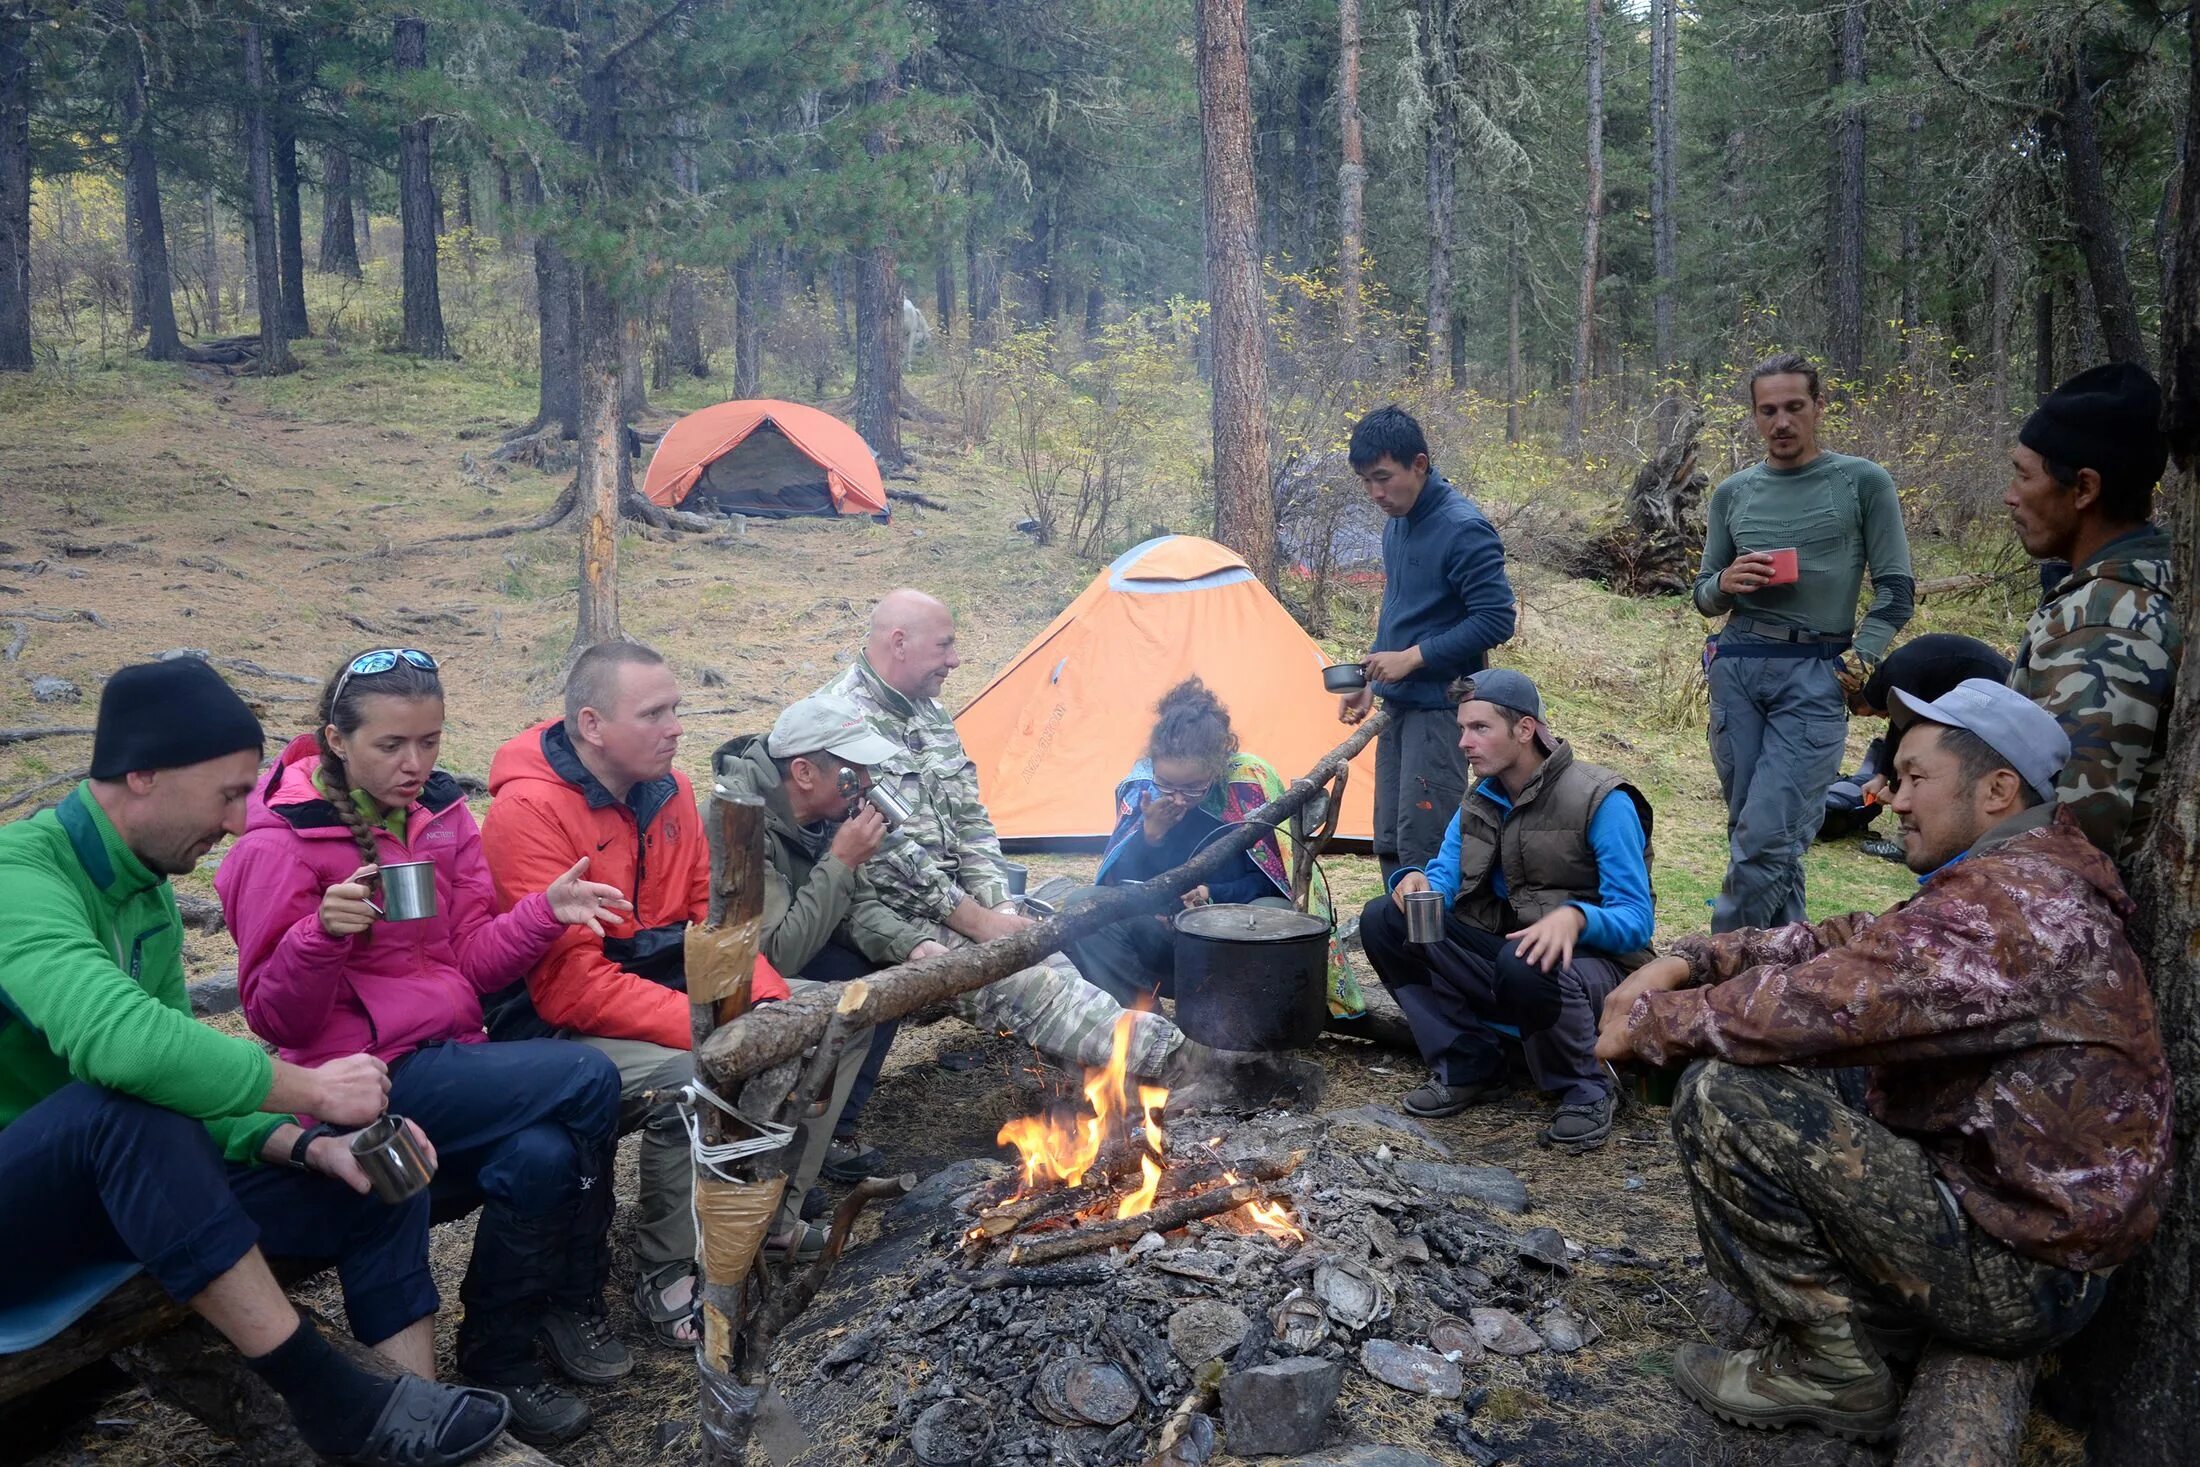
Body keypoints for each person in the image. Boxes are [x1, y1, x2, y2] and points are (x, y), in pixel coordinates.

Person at [1595, 680, 2170, 1443]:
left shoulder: (2011, 910)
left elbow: (1817, 1003)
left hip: (2023, 1269)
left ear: (1998, 789)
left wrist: (1648, 1022)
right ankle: (1863, 1326)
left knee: (1724, 1093)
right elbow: (1856, 943)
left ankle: (1828, 1364)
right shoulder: (2017, 873)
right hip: (2021, 1221)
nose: (1892, 799)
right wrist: (1698, 956)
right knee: (1788, 1070)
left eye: (1914, 777)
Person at [0, 659, 510, 1466]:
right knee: (121, 1105)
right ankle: (330, 1399)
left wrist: (312, 1143)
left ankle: (410, 1414)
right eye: (230, 793)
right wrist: (308, 1087)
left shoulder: (147, 898)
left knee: (377, 1179)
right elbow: (123, 1047)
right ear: (142, 775)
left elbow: (182, 1079)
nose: (241, 823)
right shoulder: (17, 874)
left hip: (122, 1194)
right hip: (23, 1211)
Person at [218, 648, 634, 1446]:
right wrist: (319, 936)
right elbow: (277, 1018)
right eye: (392, 746)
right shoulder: (281, 842)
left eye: (432, 742)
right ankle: (573, 1295)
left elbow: (468, 962)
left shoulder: (439, 817)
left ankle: (497, 1357)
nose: (416, 764)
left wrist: (545, 910)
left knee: (544, 1153)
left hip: (451, 1058)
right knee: (587, 1074)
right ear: (336, 740)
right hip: (364, 1086)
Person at [478, 642, 822, 1353]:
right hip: (550, 1025)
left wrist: (769, 1000)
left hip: (653, 984)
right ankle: (667, 1271)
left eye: (675, 709)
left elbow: (712, 922)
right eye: (654, 713)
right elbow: (572, 987)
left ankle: (772, 1218)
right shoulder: (529, 812)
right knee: (691, 1079)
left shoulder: (672, 790)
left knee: (821, 1015)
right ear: (593, 725)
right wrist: (715, 1033)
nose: (675, 727)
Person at [814, 591, 1228, 1101]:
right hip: (888, 914)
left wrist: (999, 905)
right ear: (899, 643)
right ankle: (1187, 1063)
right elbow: (885, 858)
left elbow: (971, 820)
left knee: (1050, 961)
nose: (955, 659)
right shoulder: (835, 722)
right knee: (1026, 987)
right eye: (944, 646)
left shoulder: (930, 713)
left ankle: (1125, 1097)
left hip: (959, 903)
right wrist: (977, 922)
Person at [1357, 671, 1652, 1150]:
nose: (1464, 743)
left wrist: (1577, 918)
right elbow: (1445, 878)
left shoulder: (1601, 800)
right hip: (1510, 954)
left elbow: (1636, 922)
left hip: (1600, 970)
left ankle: (1586, 1086)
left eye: (1479, 728)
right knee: (1385, 920)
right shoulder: (1480, 798)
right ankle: (1469, 1059)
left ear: (1525, 729)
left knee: (1527, 958)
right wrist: (1416, 883)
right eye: (1461, 729)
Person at [1692, 353, 1914, 933]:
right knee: (1757, 833)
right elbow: (1702, 594)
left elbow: (1896, 591)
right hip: (1737, 664)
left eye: (1794, 407)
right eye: (1768, 410)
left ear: (1819, 407)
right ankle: (1783, 970)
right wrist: (1725, 582)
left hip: (1815, 673)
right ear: (1754, 416)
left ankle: (1720, 962)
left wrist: (1858, 660)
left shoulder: (1862, 481)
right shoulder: (1734, 492)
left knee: (1768, 837)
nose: (1781, 422)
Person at [1066, 678, 1348, 1013]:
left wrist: (1211, 895)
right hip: (1164, 933)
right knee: (1083, 905)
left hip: (1229, 940)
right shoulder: (1142, 787)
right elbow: (1121, 882)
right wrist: (1150, 837)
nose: (1177, 798)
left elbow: (1272, 880)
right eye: (1167, 784)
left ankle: (1239, 1027)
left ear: (1217, 766)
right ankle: (1144, 1024)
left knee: (1277, 913)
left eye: (1193, 787)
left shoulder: (1247, 783)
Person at [708, 694, 907, 1164]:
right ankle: (777, 1163)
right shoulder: (740, 820)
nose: (867, 784)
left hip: (783, 949)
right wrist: (841, 860)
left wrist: (914, 947)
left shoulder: (819, 817)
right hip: (734, 976)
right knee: (845, 1000)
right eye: (854, 773)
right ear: (803, 773)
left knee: (885, 976)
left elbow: (856, 907)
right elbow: (776, 957)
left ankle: (832, 1134)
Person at [2004, 361, 2181, 866]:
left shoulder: (2104, 620)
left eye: (2023, 474)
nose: (2010, 495)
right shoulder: (2160, 579)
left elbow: (2073, 833)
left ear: (2084, 488)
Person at [1337, 406, 1518, 876]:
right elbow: (1405, 615)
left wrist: (1414, 659)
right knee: (1392, 843)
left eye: (1383, 477)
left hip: (1442, 713)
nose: (1376, 493)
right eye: (1366, 481)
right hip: (1397, 709)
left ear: (1418, 464)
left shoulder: (1463, 528)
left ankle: (1434, 944)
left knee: (1428, 847)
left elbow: (1497, 619)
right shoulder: (1397, 522)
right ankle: (1396, 943)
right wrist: (1371, 680)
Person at [1819, 633, 2010, 852]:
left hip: (1995, 689)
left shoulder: (1898, 674)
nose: (1881, 718)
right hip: (1982, 688)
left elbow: (1910, 735)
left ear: (1869, 698)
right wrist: (1881, 776)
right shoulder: (1893, 675)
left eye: (1873, 714)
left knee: (1932, 762)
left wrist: (1895, 789)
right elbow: (1897, 728)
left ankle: (1906, 846)